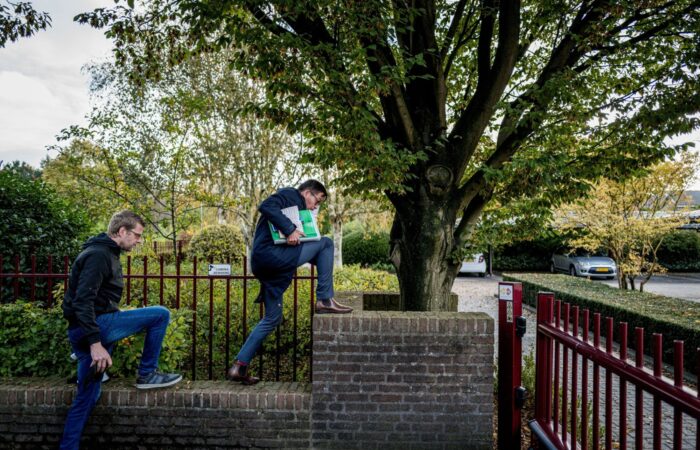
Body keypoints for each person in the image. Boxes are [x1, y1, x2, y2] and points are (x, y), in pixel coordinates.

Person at [59, 210, 182, 450]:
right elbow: (82, 301)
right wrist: (95, 344)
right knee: (160, 314)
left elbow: (97, 299)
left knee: (87, 398)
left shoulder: (104, 252)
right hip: (94, 332)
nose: (139, 241)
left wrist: (120, 314)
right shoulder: (98, 255)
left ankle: (67, 447)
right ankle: (147, 374)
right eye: (137, 235)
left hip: (87, 330)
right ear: (122, 231)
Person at [227, 180, 352, 385]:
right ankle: (325, 300)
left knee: (272, 318)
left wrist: (298, 232)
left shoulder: (298, 207)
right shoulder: (291, 194)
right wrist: (290, 228)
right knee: (327, 243)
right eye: (316, 201)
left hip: (268, 267)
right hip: (271, 256)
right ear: (307, 193)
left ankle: (239, 366)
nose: (314, 206)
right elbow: (266, 206)